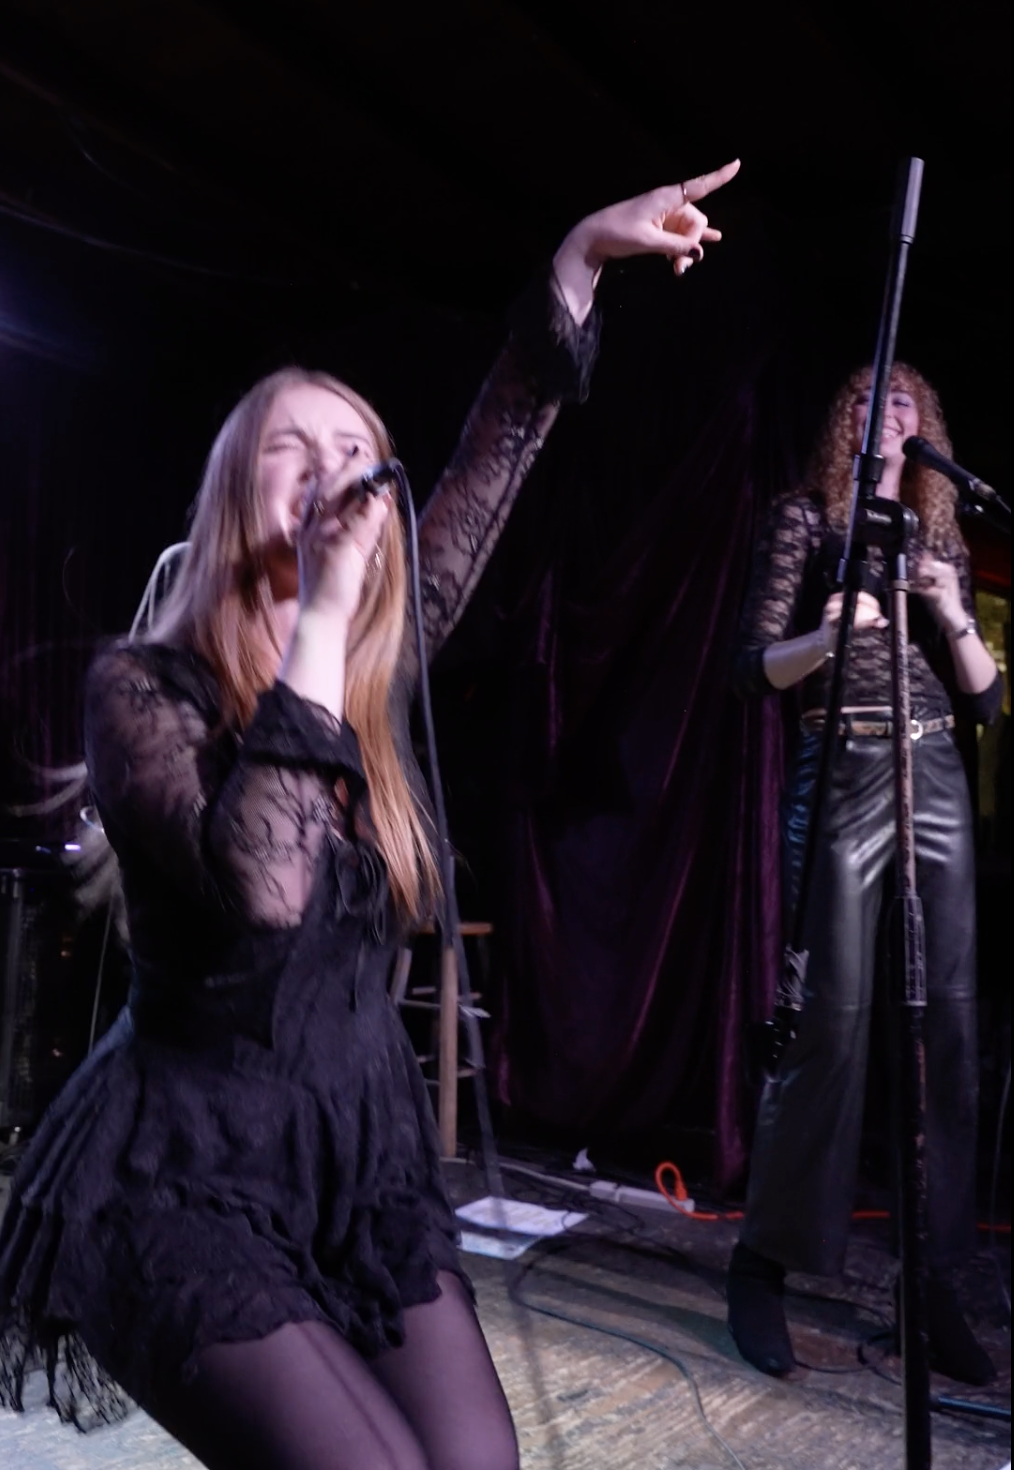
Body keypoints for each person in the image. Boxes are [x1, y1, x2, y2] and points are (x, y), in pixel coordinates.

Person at [0, 165, 739, 1470]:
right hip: (172, 1175)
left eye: (355, 450)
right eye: (295, 446)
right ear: (237, 491)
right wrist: (324, 619)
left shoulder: (369, 683)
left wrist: (576, 261)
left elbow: (489, 465)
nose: (334, 469)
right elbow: (263, 888)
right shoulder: (143, 689)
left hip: (354, 1165)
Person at [727, 364, 1002, 1385]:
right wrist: (826, 635)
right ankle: (762, 1266)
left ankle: (934, 1282)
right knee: (829, 1024)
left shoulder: (939, 536)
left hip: (935, 769)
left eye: (906, 402)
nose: (888, 413)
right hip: (842, 759)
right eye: (870, 399)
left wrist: (952, 608)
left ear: (926, 428)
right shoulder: (804, 519)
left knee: (950, 1029)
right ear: (844, 420)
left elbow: (985, 701)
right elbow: (750, 666)